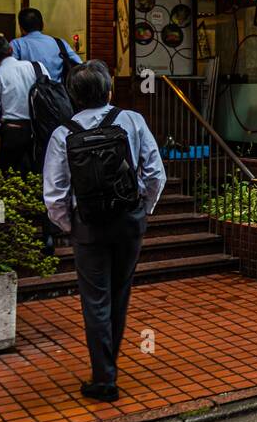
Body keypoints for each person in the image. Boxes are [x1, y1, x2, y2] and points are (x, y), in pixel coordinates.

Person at [43, 60, 167, 402]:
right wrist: (145, 209)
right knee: (120, 293)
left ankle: (104, 377)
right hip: (129, 222)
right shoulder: (132, 120)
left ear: (72, 96)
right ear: (108, 90)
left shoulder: (62, 133)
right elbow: (156, 173)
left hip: (88, 227)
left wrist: (72, 225)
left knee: (95, 300)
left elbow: (54, 195)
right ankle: (108, 366)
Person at [0, 35, 39, 172]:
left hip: (13, 131)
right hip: (39, 129)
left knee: (11, 177)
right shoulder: (36, 67)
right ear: (11, 49)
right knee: (38, 175)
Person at [11, 7, 81, 83]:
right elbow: (79, 64)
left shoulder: (16, 44)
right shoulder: (59, 42)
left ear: (21, 28)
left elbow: (9, 71)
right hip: (58, 92)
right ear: (42, 25)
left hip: (30, 92)